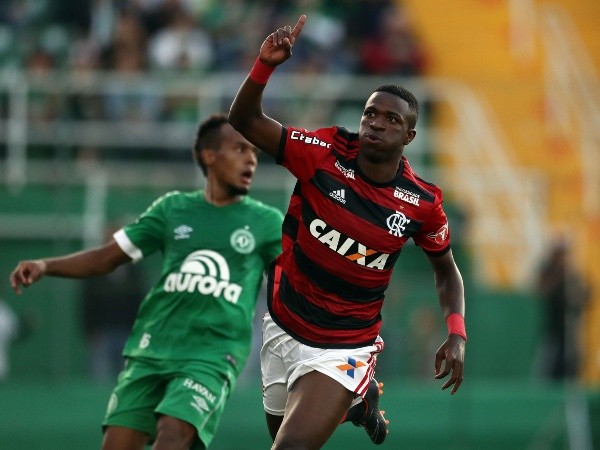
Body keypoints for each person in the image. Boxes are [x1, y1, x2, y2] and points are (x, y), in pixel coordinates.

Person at [228, 14, 467, 450]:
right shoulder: (322, 153)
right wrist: (264, 66)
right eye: (370, 113)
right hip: (284, 322)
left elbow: (446, 271)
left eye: (391, 119)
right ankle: (357, 404)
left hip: (345, 344)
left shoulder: (422, 202)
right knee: (281, 436)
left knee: (290, 447)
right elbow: (243, 119)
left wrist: (456, 332)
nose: (376, 122)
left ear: (410, 135)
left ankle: (353, 387)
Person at [9, 113, 285, 450]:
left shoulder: (266, 222)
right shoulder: (172, 209)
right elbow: (108, 257)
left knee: (172, 435)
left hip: (211, 355)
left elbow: (297, 279)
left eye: (254, 152)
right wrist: (44, 265)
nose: (251, 159)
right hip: (152, 349)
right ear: (209, 156)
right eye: (240, 149)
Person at [80, 223, 145, 382]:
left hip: (127, 333)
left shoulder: (134, 271)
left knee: (126, 380)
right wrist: (91, 331)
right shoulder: (95, 269)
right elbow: (88, 302)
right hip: (103, 334)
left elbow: (141, 301)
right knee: (100, 378)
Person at [535, 236, 590, 381]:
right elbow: (543, 289)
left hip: (571, 332)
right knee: (548, 369)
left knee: (571, 367)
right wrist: (560, 274)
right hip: (553, 330)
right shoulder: (550, 271)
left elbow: (585, 295)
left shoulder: (573, 276)